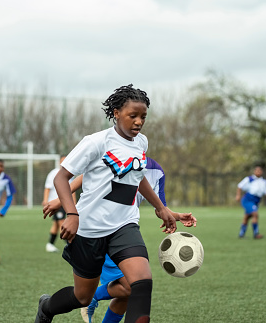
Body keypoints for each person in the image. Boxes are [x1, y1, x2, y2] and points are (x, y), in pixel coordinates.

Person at [34, 84, 183, 323]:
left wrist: (160, 207)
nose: (138, 122)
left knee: (141, 283)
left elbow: (138, 176)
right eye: (132, 116)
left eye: (143, 117)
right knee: (82, 297)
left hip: (124, 225)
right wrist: (71, 214)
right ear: (115, 113)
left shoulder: (141, 142)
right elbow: (61, 177)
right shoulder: (96, 142)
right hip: (89, 229)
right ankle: (47, 307)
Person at [44, 157, 197, 323]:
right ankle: (87, 298)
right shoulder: (120, 156)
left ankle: (91, 298)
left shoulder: (157, 172)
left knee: (131, 290)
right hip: (98, 228)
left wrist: (176, 216)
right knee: (126, 288)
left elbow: (160, 207)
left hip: (123, 232)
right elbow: (85, 175)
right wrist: (60, 200)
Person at [42, 156, 77, 253]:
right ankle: (70, 245)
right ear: (59, 162)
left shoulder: (70, 173)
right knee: (62, 222)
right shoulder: (53, 173)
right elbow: (47, 188)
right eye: (62, 161)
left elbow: (71, 189)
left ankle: (50, 244)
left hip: (66, 202)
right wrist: (45, 200)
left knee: (56, 224)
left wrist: (74, 203)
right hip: (56, 202)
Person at [235, 165, 266, 239]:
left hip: (256, 200)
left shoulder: (263, 182)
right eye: (257, 171)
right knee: (255, 214)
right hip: (248, 199)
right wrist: (238, 195)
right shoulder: (249, 179)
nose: (258, 172)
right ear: (254, 171)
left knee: (247, 217)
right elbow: (239, 186)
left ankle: (241, 234)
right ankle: (256, 234)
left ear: (262, 172)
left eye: (260, 171)